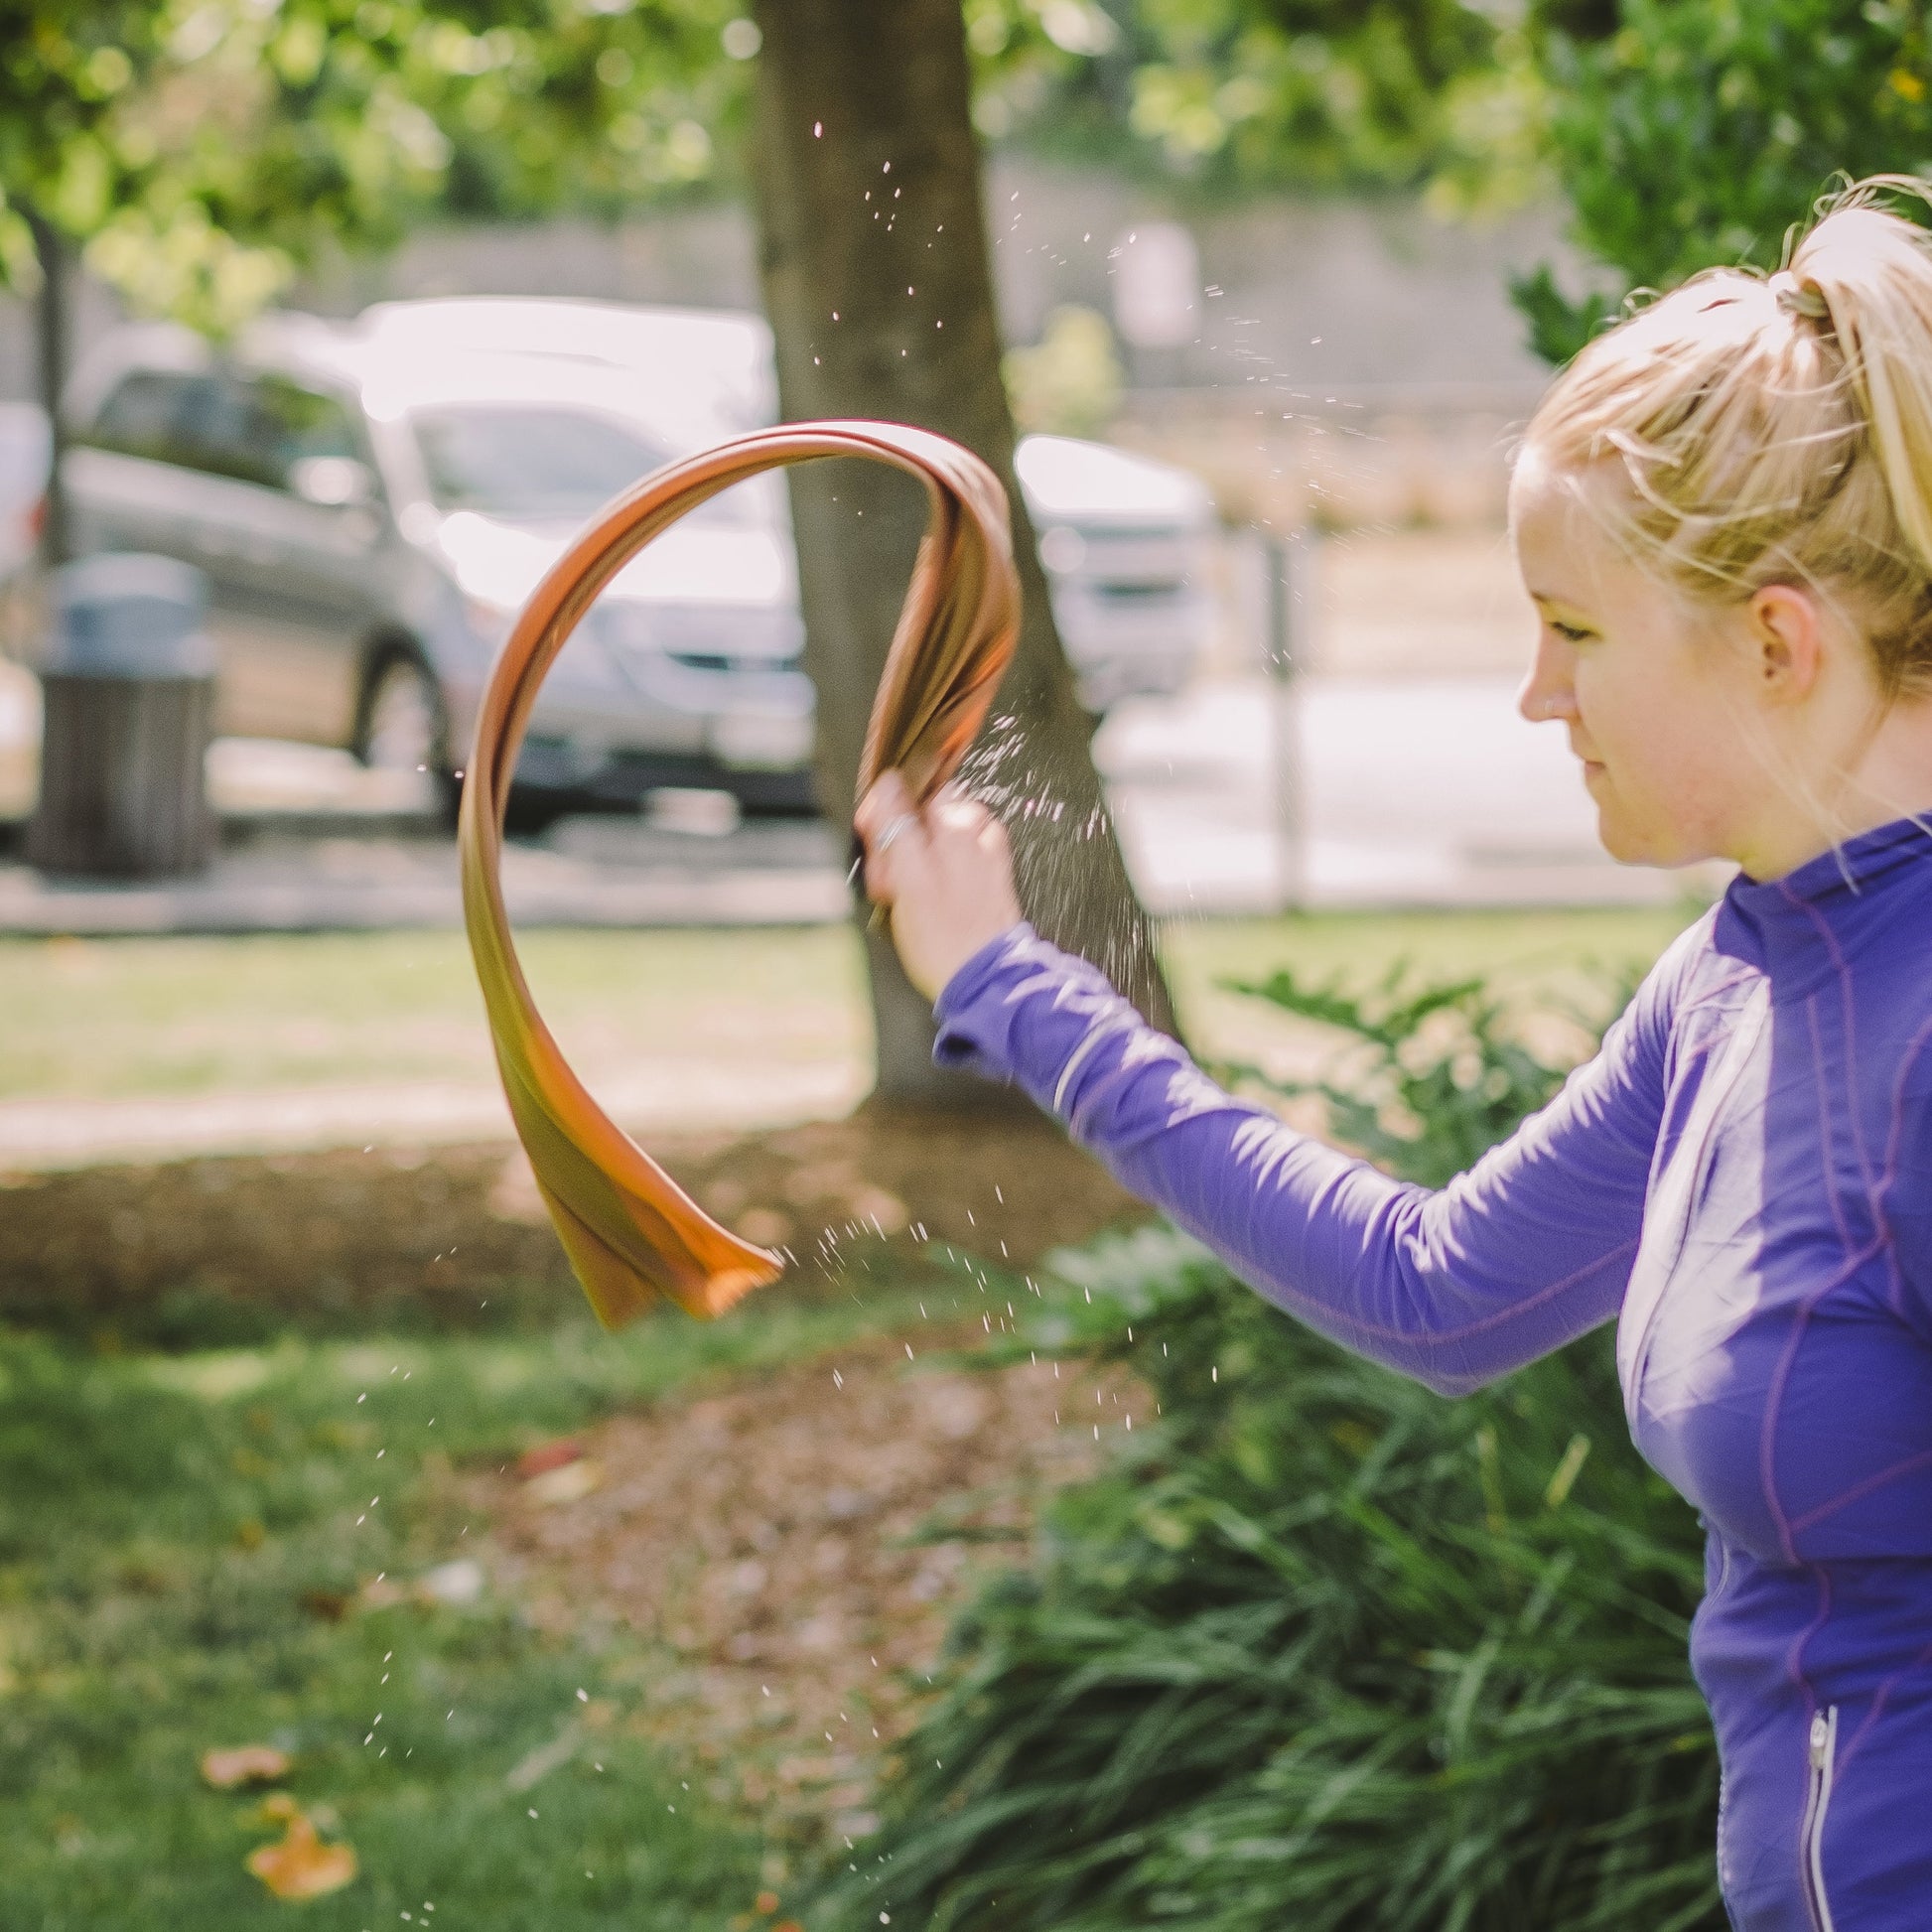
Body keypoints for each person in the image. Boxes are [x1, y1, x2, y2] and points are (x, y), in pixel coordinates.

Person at [855, 181, 1932, 1931]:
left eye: (1573, 631)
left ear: (1776, 641)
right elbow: (1434, 1290)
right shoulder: (1733, 982)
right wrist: (1007, 981)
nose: (1533, 693)